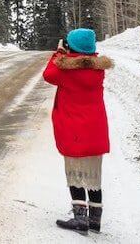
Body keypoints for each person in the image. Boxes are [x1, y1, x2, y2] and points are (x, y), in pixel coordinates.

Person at [42, 28, 113, 235]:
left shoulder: (66, 70)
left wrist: (59, 54)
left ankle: (80, 219)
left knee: (75, 174)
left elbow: (48, 75)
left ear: (72, 47)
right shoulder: (98, 70)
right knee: (93, 177)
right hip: (95, 131)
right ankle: (95, 222)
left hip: (73, 131)